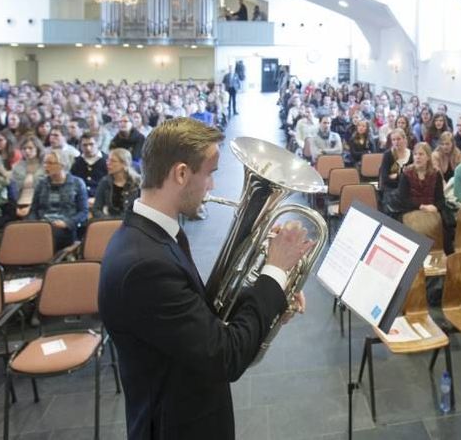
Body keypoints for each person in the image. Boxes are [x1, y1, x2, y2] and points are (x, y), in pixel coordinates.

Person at [99, 118, 312, 440]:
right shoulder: (144, 264)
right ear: (181, 173)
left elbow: (196, 312)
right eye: (210, 173)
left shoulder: (155, 235)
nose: (213, 186)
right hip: (178, 425)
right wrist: (275, 271)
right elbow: (226, 356)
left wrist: (272, 298)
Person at [397, 142, 454, 252]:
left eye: (421, 154)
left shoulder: (435, 174)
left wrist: (435, 207)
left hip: (432, 210)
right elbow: (403, 200)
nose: (417, 157)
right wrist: (422, 207)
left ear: (428, 157)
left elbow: (441, 200)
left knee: (445, 231)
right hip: (412, 210)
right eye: (415, 154)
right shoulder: (406, 173)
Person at [29, 149, 88, 249]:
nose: (46, 166)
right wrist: (34, 223)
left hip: (65, 226)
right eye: (45, 163)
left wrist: (67, 223)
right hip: (43, 224)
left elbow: (83, 212)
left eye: (50, 163)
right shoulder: (41, 183)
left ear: (62, 165)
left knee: (49, 237)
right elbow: (34, 209)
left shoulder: (77, 183)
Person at [93, 148, 141, 219]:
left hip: (133, 223)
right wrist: (107, 220)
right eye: (108, 160)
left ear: (124, 164)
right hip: (110, 222)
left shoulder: (138, 182)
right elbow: (96, 209)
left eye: (113, 161)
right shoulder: (105, 182)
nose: (108, 163)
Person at [379, 129, 413, 215]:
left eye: (398, 139)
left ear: (404, 139)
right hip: (390, 189)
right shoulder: (388, 155)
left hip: (408, 189)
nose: (396, 142)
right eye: (393, 140)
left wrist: (396, 176)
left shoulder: (412, 154)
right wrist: (401, 177)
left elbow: (412, 177)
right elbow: (385, 179)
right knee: (391, 210)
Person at [71, 133, 108, 199]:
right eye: (85, 145)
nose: (88, 148)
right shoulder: (76, 162)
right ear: (80, 146)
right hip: (80, 198)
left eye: (91, 144)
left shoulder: (107, 161)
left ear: (97, 144)